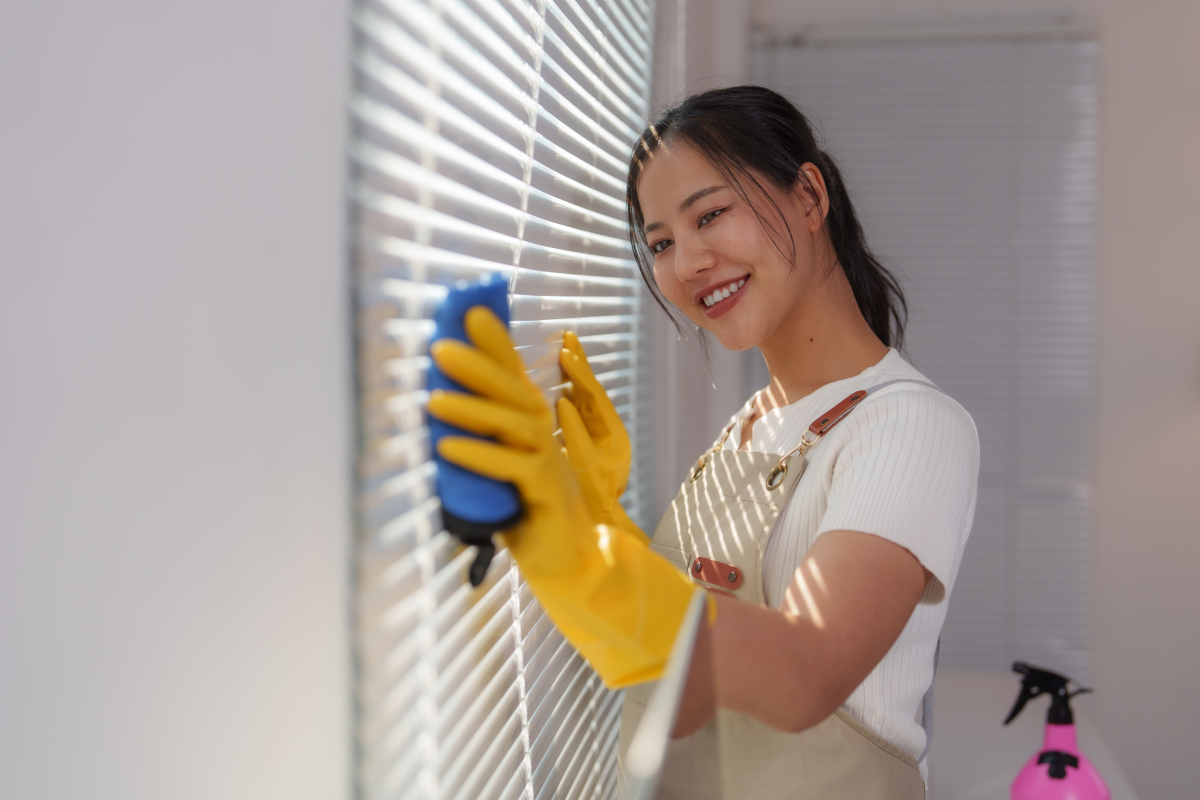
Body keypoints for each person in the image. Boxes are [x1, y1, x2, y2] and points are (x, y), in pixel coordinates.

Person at [427, 86, 979, 799]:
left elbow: (801, 675)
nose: (687, 263)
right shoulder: (746, 430)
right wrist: (598, 521)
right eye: (660, 243)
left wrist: (578, 552)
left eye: (710, 214)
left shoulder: (911, 425)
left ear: (809, 198)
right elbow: (687, 696)